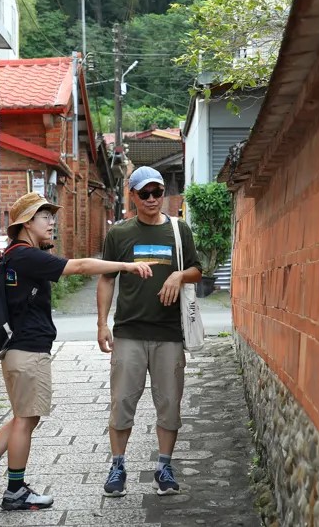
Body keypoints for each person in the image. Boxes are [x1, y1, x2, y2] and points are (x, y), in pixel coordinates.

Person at [0, 192, 154, 511]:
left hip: (18, 351)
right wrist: (126, 266)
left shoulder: (15, 255)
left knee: (24, 417)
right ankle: (15, 491)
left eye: (52, 216)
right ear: (26, 223)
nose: (52, 223)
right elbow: (79, 266)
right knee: (26, 420)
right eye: (44, 217)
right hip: (28, 351)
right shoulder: (26, 256)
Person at [97, 166, 202, 497]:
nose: (153, 199)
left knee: (170, 403)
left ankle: (164, 467)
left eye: (157, 192)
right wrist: (101, 323)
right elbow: (106, 279)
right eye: (145, 193)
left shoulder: (178, 230)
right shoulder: (119, 234)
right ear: (133, 196)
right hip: (129, 332)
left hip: (169, 333)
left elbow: (197, 270)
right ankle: (117, 466)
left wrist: (178, 275)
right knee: (122, 401)